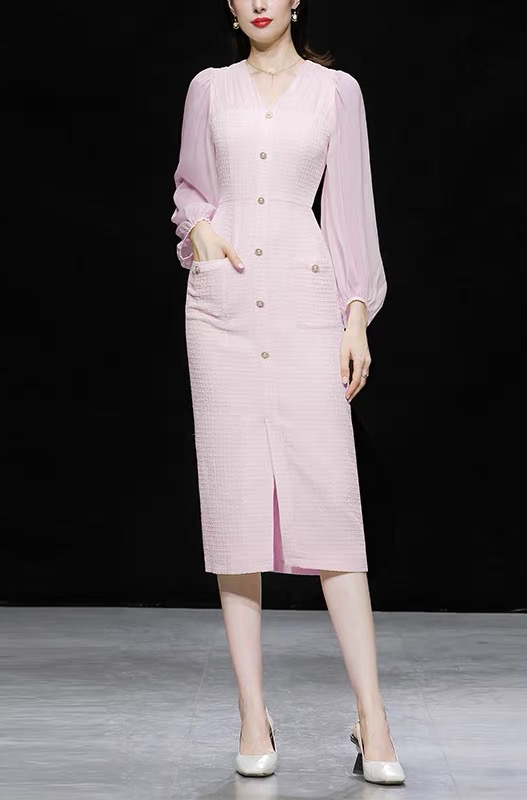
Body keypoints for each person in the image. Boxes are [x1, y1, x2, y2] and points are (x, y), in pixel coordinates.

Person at [171, 0, 404, 784]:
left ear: (297, 0)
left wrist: (355, 316)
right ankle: (251, 711)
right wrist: (199, 228)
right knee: (234, 509)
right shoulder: (209, 88)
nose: (261, 3)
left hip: (306, 304)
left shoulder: (337, 92)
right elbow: (191, 188)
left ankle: (373, 718)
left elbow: (352, 214)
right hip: (224, 312)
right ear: (231, 5)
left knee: (332, 509)